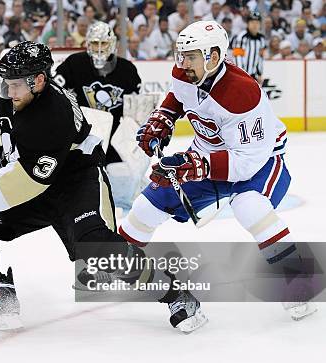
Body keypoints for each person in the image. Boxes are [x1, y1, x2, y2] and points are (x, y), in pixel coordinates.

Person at [0, 41, 206, 333]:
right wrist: (5, 139)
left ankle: (177, 295)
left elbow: (26, 182)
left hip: (76, 180)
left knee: (95, 248)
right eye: (5, 83)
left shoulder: (52, 115)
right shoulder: (18, 92)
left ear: (40, 81)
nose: (9, 91)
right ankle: (0, 296)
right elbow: (4, 111)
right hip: (41, 180)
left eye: (16, 85)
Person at [124, 21, 317, 321]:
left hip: (261, 160)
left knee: (249, 206)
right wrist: (166, 117)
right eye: (181, 55)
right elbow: (179, 95)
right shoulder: (185, 73)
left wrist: (197, 167)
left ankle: (298, 279)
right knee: (146, 206)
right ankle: (117, 264)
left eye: (191, 56)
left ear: (214, 57)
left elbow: (246, 161)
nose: (182, 63)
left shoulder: (242, 93)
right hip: (207, 155)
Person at [53, 21, 146, 213]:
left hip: (114, 137)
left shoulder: (127, 70)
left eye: (104, 43)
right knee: (80, 178)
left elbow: (137, 108)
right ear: (88, 44)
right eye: (95, 43)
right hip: (83, 135)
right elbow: (54, 92)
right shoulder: (74, 64)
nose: (99, 48)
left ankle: (120, 200)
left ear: (112, 44)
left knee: (122, 174)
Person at [230, 12, 267, 84]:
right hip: (240, 75)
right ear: (248, 24)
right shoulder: (241, 37)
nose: (255, 25)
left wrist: (259, 73)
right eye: (252, 22)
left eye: (257, 22)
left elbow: (260, 58)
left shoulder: (261, 39)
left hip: (253, 76)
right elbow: (237, 57)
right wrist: (241, 74)